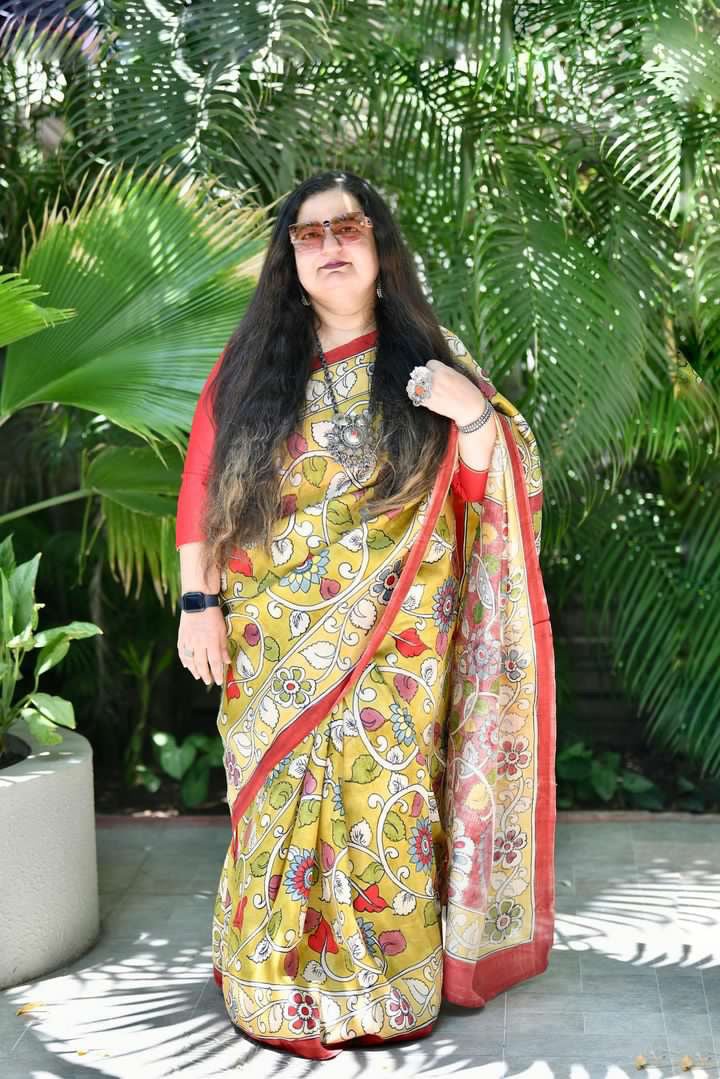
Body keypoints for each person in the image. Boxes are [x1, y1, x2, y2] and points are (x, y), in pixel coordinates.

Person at [174, 170, 556, 1060]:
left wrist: (474, 419)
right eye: (310, 235)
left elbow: (485, 496)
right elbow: (201, 486)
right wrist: (201, 603)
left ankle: (386, 984)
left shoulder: (428, 361)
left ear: (380, 249)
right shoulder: (253, 369)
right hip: (272, 640)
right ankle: (271, 976)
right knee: (275, 804)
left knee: (383, 797)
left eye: (348, 228)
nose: (332, 245)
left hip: (399, 643)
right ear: (290, 262)